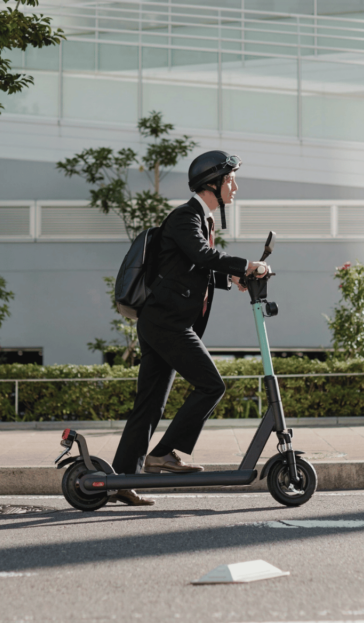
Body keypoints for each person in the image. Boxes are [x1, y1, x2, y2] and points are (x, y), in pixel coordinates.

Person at [109, 150, 269, 506]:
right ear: (211, 183)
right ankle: (164, 453)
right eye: (230, 181)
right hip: (167, 322)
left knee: (149, 405)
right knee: (212, 385)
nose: (235, 187)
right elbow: (201, 255)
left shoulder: (201, 220)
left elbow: (193, 268)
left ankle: (120, 480)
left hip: (161, 322)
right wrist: (246, 266)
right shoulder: (185, 217)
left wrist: (232, 279)